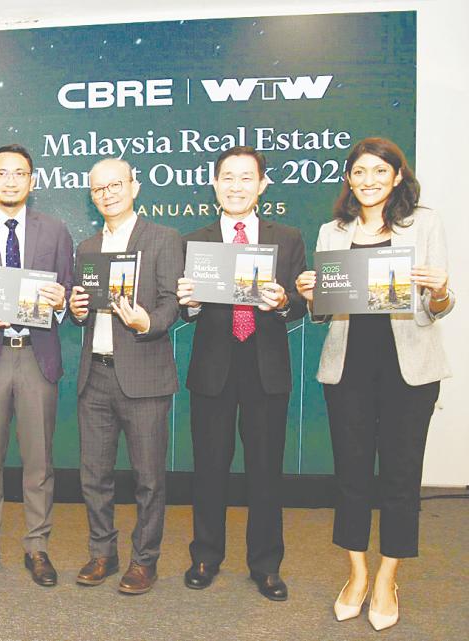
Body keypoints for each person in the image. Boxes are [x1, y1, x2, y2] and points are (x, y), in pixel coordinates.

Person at [295, 138, 454, 631]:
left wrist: (441, 289)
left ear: (397, 177)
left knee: (402, 479)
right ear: (349, 179)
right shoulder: (332, 231)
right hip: (348, 373)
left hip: (410, 372)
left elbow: (437, 307)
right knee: (352, 477)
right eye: (360, 172)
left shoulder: (423, 223)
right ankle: (357, 575)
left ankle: (389, 576)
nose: (369, 180)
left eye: (379, 172)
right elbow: (323, 314)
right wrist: (310, 294)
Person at [176, 146, 307, 601]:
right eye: (227, 178)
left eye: (246, 178)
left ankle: (266, 564)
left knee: (266, 469)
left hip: (266, 367)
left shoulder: (287, 238)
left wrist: (285, 301)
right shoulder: (196, 239)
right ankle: (206, 556)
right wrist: (189, 303)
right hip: (213, 368)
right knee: (209, 467)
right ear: (214, 184)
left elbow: (300, 303)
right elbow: (188, 309)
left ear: (262, 185)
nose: (236, 186)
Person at [0, 144, 73, 587]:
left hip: (37, 356)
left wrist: (61, 302)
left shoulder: (56, 231)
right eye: (1, 173)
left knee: (39, 461)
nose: (10, 180)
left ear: (32, 180)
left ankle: (37, 547)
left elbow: (68, 287)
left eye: (19, 173)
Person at [68, 158, 182, 594]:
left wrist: (147, 323)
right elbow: (85, 307)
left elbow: (172, 301)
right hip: (94, 376)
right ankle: (102, 553)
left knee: (148, 478)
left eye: (116, 185)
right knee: (93, 475)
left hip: (145, 377)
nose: (108, 194)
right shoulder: (87, 247)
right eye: (99, 189)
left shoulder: (163, 239)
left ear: (135, 186)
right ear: (92, 196)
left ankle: (143, 561)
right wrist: (77, 312)